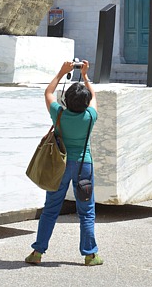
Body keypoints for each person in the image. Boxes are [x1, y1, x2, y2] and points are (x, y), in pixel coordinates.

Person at [25, 60, 103, 266]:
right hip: (83, 166)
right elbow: (94, 96)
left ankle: (37, 253)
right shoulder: (90, 116)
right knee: (86, 211)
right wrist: (85, 76)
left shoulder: (58, 114)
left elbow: (48, 93)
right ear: (85, 103)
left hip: (59, 165)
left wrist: (61, 72)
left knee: (50, 209)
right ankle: (90, 254)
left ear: (66, 100)